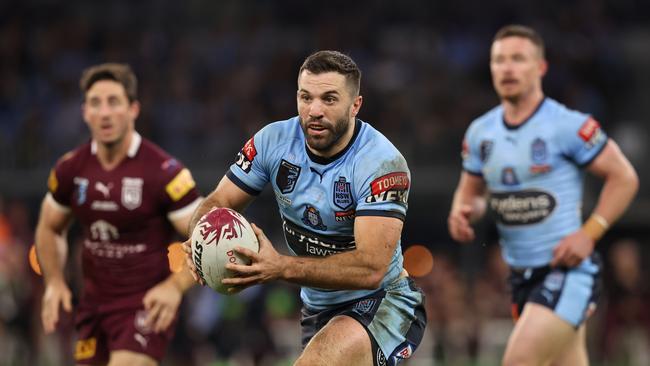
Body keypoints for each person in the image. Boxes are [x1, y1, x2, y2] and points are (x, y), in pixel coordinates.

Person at [183, 50, 427, 366]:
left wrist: (280, 267)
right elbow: (218, 201)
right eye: (305, 97)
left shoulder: (381, 164)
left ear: (355, 105)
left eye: (329, 99)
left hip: (384, 302)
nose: (314, 110)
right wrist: (198, 238)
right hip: (317, 310)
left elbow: (372, 267)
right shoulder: (273, 141)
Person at [448, 25, 639, 366]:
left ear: (540, 68)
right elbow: (472, 193)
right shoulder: (481, 132)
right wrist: (463, 211)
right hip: (521, 277)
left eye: (518, 59)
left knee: (518, 361)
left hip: (567, 273)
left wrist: (589, 233)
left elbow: (624, 177)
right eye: (499, 60)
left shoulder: (567, 124)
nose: (507, 68)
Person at [35, 63, 202, 366]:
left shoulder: (163, 172)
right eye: (96, 103)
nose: (105, 112)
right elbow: (49, 227)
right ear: (85, 111)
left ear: (133, 109)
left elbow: (206, 236)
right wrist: (55, 282)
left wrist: (175, 286)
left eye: (114, 102)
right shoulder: (71, 169)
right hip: (93, 308)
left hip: (146, 306)